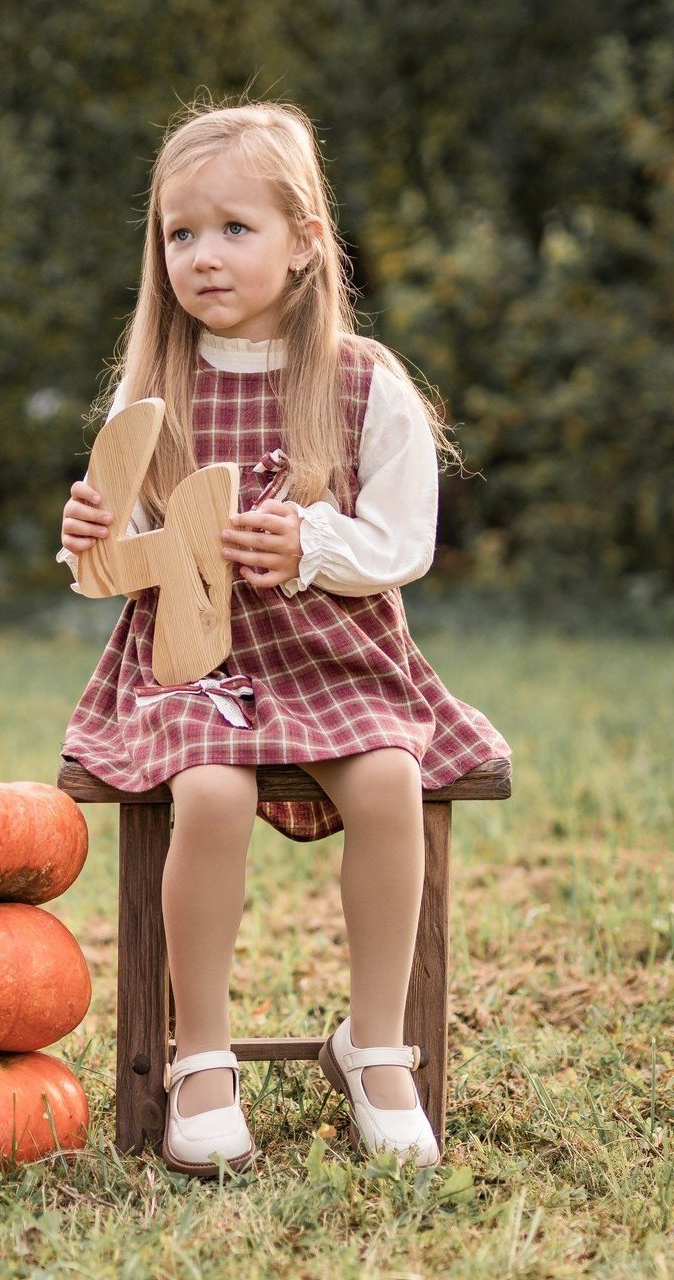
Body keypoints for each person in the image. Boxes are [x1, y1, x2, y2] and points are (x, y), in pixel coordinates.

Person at [58, 100, 509, 1176]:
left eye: (233, 228)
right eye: (179, 233)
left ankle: (374, 1044)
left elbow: (403, 540)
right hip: (194, 660)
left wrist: (311, 541)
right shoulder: (151, 388)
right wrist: (90, 535)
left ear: (304, 242)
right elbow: (119, 548)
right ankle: (200, 1054)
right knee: (210, 794)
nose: (203, 255)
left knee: (389, 779)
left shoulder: (362, 379)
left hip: (333, 653)